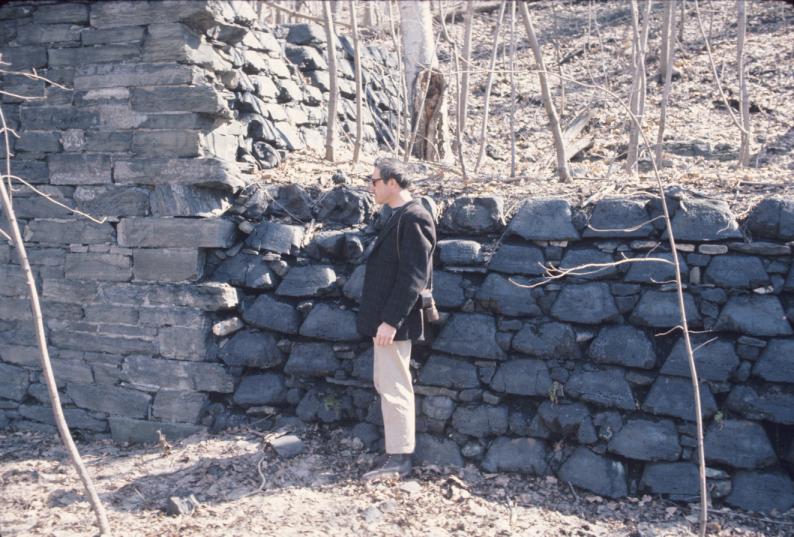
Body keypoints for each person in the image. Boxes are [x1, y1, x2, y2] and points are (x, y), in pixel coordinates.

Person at [356, 157, 436, 481]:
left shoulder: (415, 217)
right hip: (385, 321)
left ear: (392, 183)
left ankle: (400, 460)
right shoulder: (398, 216)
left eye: (374, 180)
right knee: (386, 383)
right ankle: (395, 454)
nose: (370, 186)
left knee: (395, 386)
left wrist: (390, 321)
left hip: (394, 323)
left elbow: (413, 278)